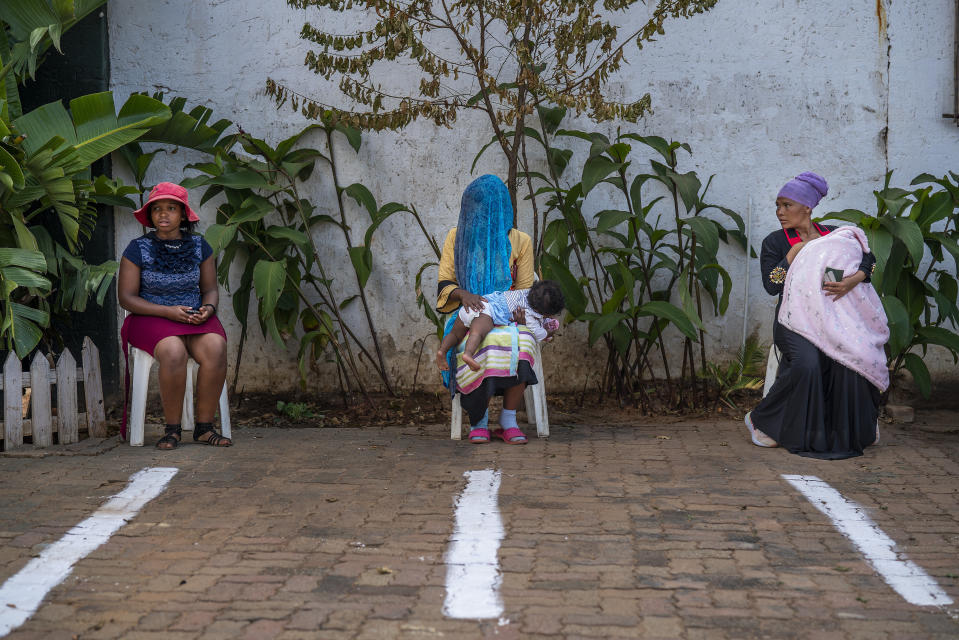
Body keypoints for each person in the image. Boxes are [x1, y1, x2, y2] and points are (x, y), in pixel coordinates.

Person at [745, 172, 887, 459]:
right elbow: (772, 285)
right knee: (807, 365)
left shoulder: (835, 235)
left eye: (787, 205)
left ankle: (858, 428)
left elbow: (869, 261)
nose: (780, 212)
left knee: (854, 357)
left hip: (837, 319)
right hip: (793, 322)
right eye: (778, 205)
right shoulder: (776, 242)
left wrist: (853, 279)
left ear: (807, 207)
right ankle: (761, 419)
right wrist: (792, 255)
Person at [118, 182, 231, 449]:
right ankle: (172, 429)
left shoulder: (199, 245)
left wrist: (209, 309)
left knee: (216, 346)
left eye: (171, 208)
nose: (163, 214)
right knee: (173, 351)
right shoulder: (137, 248)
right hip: (150, 316)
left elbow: (210, 289)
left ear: (183, 214)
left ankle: (204, 427)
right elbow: (127, 298)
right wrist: (167, 311)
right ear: (150, 215)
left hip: (193, 316)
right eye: (157, 209)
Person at [437, 174, 540, 444]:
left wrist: (519, 312)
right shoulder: (455, 236)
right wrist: (464, 294)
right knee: (473, 345)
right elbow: (445, 281)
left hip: (507, 314)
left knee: (523, 342)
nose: (484, 212)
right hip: (469, 315)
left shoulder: (520, 241)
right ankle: (478, 420)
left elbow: (525, 289)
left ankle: (508, 419)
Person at [435, 280, 564, 372]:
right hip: (485, 311)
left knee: (455, 334)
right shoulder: (528, 314)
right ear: (541, 311)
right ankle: (468, 354)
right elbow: (538, 334)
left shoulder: (527, 293)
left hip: (473, 304)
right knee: (477, 334)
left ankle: (442, 350)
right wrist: (548, 332)